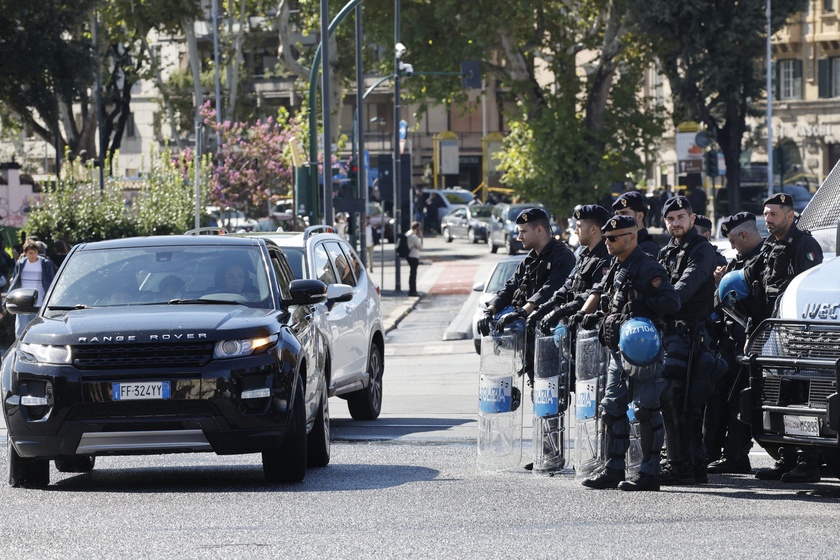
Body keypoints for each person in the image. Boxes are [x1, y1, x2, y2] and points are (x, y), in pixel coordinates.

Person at [578, 215, 680, 491]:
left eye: (613, 238)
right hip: (618, 351)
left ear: (631, 237)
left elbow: (672, 302)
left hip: (643, 350)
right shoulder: (615, 265)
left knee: (646, 410)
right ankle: (613, 468)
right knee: (611, 408)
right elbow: (604, 296)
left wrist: (643, 303)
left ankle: (649, 473)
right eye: (606, 238)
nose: (607, 242)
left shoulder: (647, 266)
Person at [745, 192, 824, 483]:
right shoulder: (769, 246)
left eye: (773, 214)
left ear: (790, 214)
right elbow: (749, 278)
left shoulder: (804, 245)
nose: (767, 219)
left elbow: (808, 292)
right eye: (765, 214)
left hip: (798, 338)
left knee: (801, 397)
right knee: (777, 396)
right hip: (773, 334)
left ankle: (808, 461)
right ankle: (786, 457)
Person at [657, 195, 718, 486]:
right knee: (671, 399)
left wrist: (658, 303)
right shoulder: (666, 252)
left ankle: (689, 465)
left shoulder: (701, 249)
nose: (675, 223)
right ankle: (682, 463)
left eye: (681, 217)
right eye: (670, 219)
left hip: (693, 335)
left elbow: (686, 287)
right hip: (671, 335)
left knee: (685, 401)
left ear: (692, 219)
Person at [477, 207, 575, 384]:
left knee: (550, 391)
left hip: (551, 337)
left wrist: (523, 311)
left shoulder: (563, 256)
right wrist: (490, 310)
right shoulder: (529, 260)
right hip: (528, 339)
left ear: (539, 230)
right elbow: (509, 287)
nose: (519, 237)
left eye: (523, 232)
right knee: (536, 389)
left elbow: (550, 289)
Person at [704, 212, 764, 474]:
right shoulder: (736, 263)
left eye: (733, 239)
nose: (731, 246)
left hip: (750, 339)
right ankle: (715, 452)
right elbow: (721, 304)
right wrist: (720, 284)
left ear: (744, 234)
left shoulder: (763, 259)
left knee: (741, 399)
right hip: (730, 340)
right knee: (720, 396)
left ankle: (737, 454)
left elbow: (761, 303)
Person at [531, 204, 611, 335]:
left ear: (593, 229)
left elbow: (594, 294)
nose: (575, 231)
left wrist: (560, 311)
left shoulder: (606, 258)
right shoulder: (583, 257)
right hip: (574, 331)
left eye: (579, 226)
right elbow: (567, 287)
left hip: (591, 333)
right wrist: (541, 309)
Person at [8, 239, 56, 338]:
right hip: (22, 302)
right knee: (20, 331)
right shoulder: (20, 264)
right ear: (25, 253)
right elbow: (15, 283)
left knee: (38, 330)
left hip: (39, 301)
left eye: (35, 252)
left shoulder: (45, 263)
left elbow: (51, 281)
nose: (34, 255)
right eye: (30, 253)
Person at [612, 191, 661, 258]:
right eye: (617, 215)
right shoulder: (622, 247)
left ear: (640, 216)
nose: (619, 219)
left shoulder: (648, 249)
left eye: (624, 214)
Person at [406, 221, 423, 296]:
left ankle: (412, 290)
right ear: (417, 228)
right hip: (413, 256)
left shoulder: (408, 233)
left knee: (412, 273)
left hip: (408, 255)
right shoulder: (414, 237)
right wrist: (421, 238)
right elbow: (420, 246)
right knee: (413, 274)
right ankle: (412, 291)